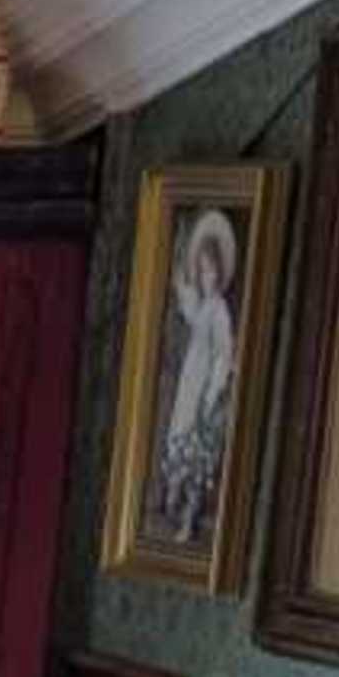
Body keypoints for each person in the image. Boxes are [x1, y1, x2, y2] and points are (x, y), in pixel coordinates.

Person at [149, 205, 238, 548]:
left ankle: (189, 519)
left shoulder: (219, 310)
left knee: (197, 454)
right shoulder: (200, 306)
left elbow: (224, 352)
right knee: (179, 442)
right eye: (202, 272)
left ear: (220, 273)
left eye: (211, 271)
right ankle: (172, 506)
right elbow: (185, 302)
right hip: (188, 383)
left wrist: (212, 392)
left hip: (204, 388)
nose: (207, 278)